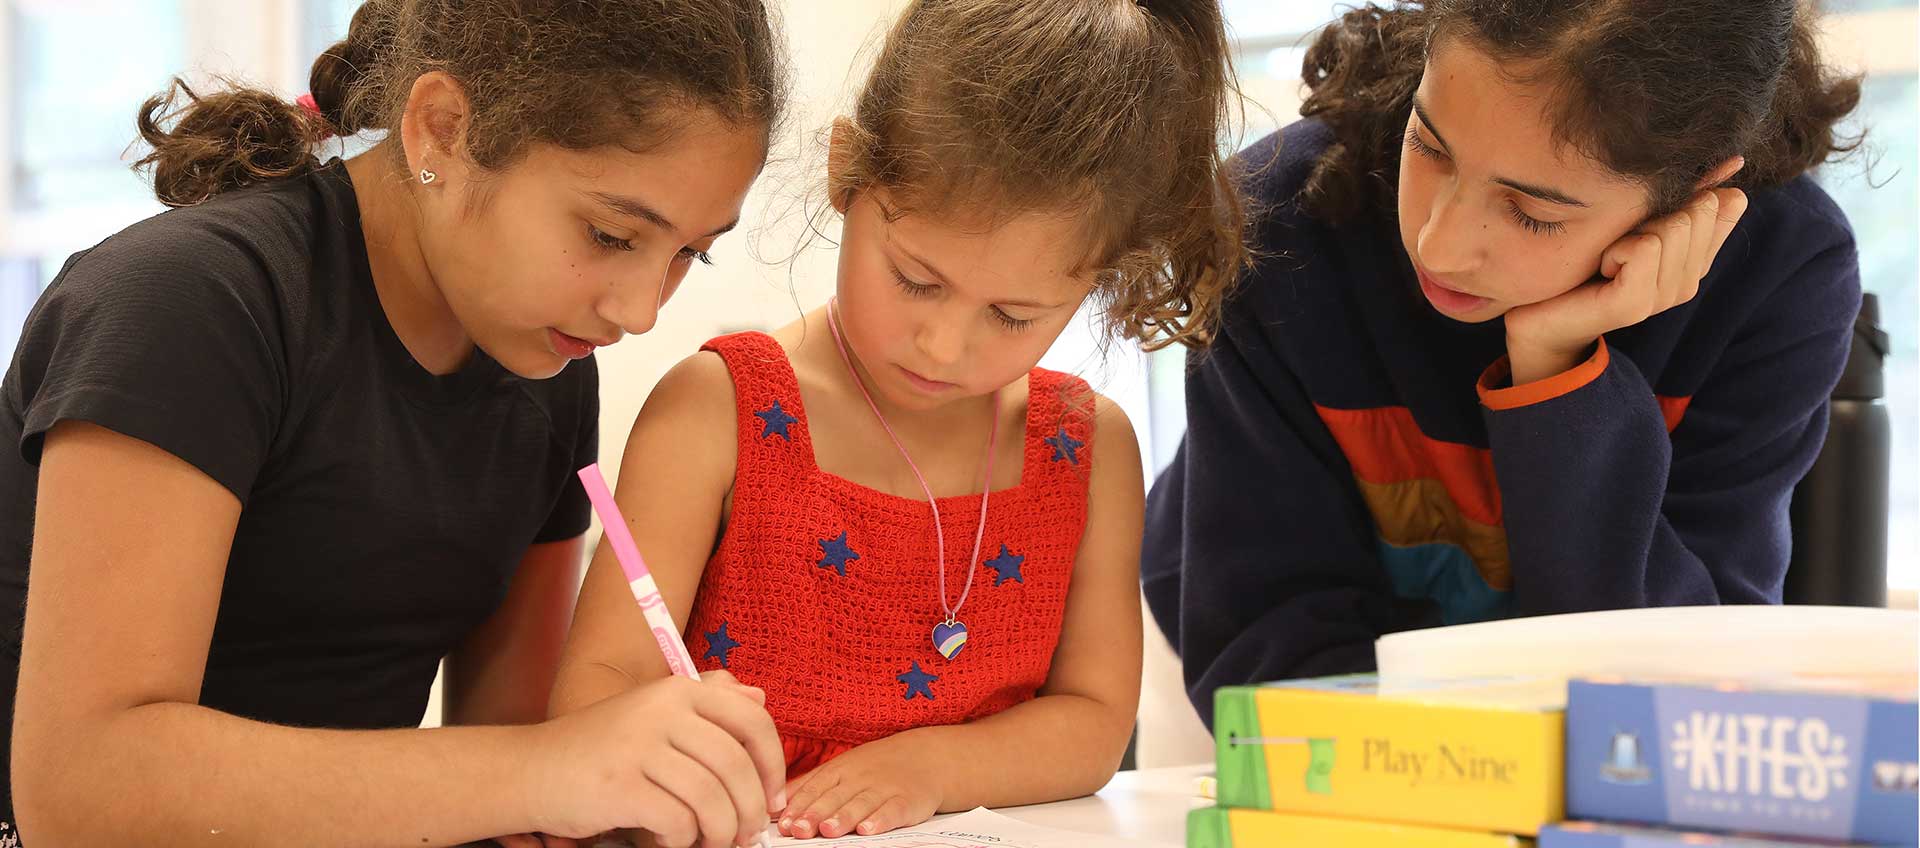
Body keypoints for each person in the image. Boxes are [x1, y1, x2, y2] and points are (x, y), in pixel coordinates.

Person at [1, 1, 791, 845]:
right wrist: (549, 771)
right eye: (608, 233)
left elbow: (506, 770)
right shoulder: (192, 305)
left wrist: (630, 792)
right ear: (441, 130)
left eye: (689, 253)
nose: (640, 313)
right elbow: (80, 790)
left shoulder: (549, 371)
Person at [550, 0, 1248, 840]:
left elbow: (1094, 723)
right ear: (849, 172)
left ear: (1098, 278)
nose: (944, 345)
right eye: (917, 279)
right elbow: (596, 692)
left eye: (1014, 316)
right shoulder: (717, 411)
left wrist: (929, 767)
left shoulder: (1087, 448)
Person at [1142, 0, 1865, 726]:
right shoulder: (1275, 222)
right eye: (1428, 145)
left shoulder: (1784, 272)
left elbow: (1678, 683)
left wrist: (1559, 373)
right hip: (1264, 706)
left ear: (1693, 191)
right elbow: (1268, 653)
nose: (1440, 244)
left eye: (1533, 212)